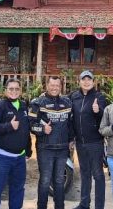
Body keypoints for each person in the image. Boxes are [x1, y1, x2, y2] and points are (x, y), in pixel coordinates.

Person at [0, 78, 32, 209]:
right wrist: (9, 126)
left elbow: (25, 129)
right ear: (5, 91)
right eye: (11, 89)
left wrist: (28, 150)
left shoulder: (23, 106)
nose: (14, 91)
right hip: (1, 157)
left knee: (18, 190)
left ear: (21, 91)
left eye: (17, 89)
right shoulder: (0, 106)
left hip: (19, 158)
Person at [29, 76, 74, 209]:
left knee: (59, 182)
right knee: (45, 181)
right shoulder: (37, 102)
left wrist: (71, 139)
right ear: (46, 85)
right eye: (52, 85)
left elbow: (70, 124)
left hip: (62, 149)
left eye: (57, 85)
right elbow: (30, 125)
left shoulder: (67, 102)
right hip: (45, 148)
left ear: (61, 87)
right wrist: (43, 129)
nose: (55, 88)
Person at [69, 70, 107, 209]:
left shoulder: (99, 96)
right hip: (80, 142)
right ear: (79, 81)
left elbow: (105, 117)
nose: (86, 82)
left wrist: (98, 111)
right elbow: (70, 117)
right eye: (83, 79)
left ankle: (99, 206)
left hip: (95, 142)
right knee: (85, 173)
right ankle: (84, 204)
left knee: (98, 175)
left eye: (89, 79)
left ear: (93, 81)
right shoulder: (74, 96)